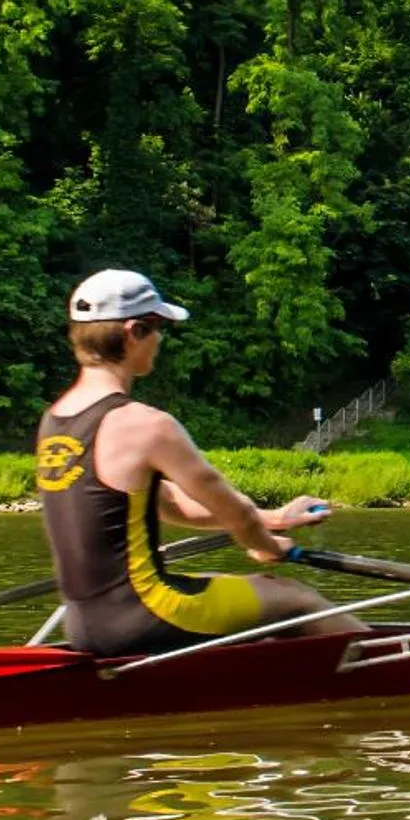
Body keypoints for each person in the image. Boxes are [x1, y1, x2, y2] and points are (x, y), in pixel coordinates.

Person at [36, 268, 365, 656]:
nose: (160, 340)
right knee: (293, 596)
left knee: (248, 589)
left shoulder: (55, 420)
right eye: (159, 328)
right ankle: (393, 672)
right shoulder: (146, 425)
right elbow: (233, 514)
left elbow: (173, 505)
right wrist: (264, 545)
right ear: (133, 332)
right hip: (144, 615)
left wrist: (272, 519)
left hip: (85, 624)